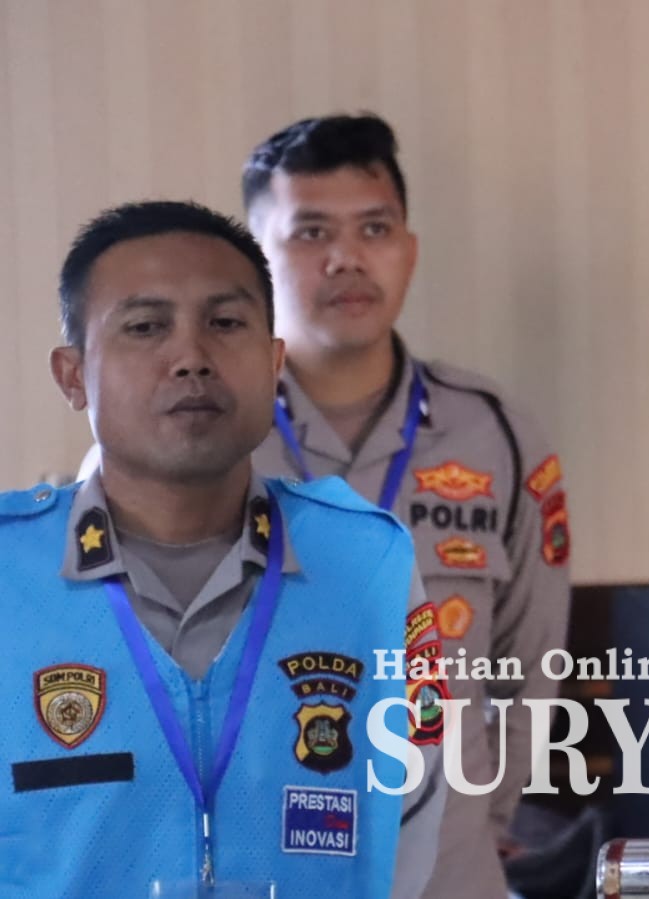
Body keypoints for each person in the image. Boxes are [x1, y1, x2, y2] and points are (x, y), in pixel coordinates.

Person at [4, 201, 444, 896]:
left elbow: (408, 817)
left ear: (273, 362)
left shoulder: (367, 564)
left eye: (226, 323)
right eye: (145, 327)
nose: (191, 359)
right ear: (72, 375)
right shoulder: (9, 574)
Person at [242, 114, 571, 899]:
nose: (347, 257)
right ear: (254, 258)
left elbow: (531, 667)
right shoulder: (213, 436)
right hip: (266, 864)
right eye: (311, 231)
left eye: (374, 228)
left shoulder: (495, 432)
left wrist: (477, 815)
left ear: (409, 249)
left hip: (450, 870)